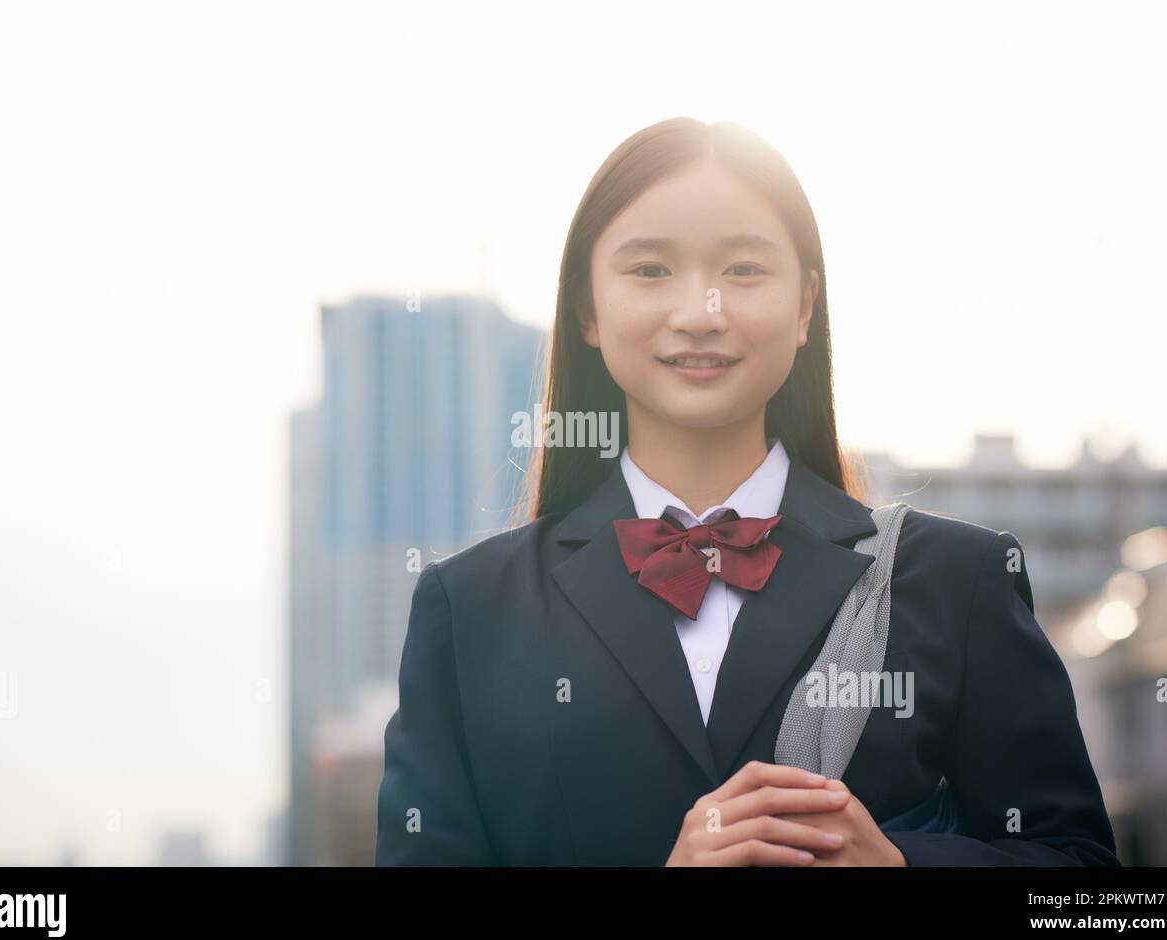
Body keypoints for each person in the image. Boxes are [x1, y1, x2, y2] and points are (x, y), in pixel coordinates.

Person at [374, 117, 1120, 866]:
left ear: (804, 307)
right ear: (587, 311)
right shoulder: (467, 610)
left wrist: (899, 866)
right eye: (651, 271)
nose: (701, 312)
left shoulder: (957, 578)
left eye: (744, 270)